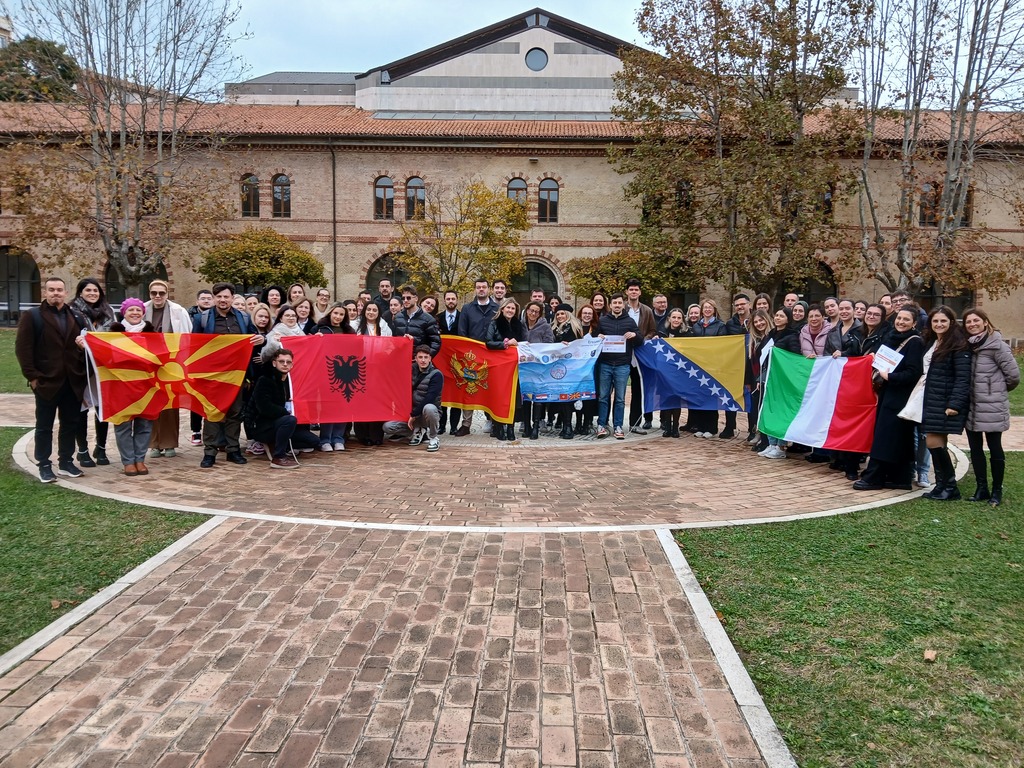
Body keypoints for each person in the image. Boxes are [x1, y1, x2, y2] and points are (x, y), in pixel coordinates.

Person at [16, 277, 89, 483]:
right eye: (51, 290)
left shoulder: (76, 316)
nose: (55, 293)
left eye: (59, 290)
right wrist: (33, 377)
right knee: (44, 426)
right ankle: (44, 465)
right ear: (45, 292)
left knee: (70, 424)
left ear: (66, 293)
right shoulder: (33, 316)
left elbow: (83, 348)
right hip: (46, 381)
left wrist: (81, 354)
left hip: (72, 381)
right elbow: (23, 349)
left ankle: (66, 461)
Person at [192, 282, 264, 468]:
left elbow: (254, 339)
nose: (222, 300)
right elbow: (194, 346)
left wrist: (261, 339)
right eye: (219, 297)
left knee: (235, 412)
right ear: (214, 298)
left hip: (236, 374)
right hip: (212, 375)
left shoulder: (244, 318)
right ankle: (210, 452)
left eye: (226, 296)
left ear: (232, 298)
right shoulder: (202, 319)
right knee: (212, 412)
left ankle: (233, 450)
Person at [853, 306, 925, 491]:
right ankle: (900, 478)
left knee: (885, 437)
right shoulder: (891, 337)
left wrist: (890, 377)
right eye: (899, 318)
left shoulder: (915, 342)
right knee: (897, 438)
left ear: (914, 323)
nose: (901, 322)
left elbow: (914, 372)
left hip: (900, 396)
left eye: (906, 319)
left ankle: (874, 477)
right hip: (887, 393)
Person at [962, 308, 1020, 506]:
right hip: (971, 406)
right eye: (968, 322)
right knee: (975, 448)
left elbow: (1013, 376)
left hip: (992, 406)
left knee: (995, 448)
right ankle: (981, 488)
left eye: (976, 320)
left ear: (985, 322)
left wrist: (995, 391)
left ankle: (997, 491)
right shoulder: (967, 346)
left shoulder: (997, 346)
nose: (972, 324)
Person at [920, 306, 972, 501]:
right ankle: (942, 486)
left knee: (934, 440)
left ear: (951, 322)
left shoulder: (958, 344)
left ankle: (950, 487)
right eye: (935, 321)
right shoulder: (932, 341)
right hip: (931, 399)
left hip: (945, 401)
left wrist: (955, 404)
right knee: (935, 441)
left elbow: (963, 378)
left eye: (943, 321)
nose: (939, 324)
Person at [107, 298, 157, 476]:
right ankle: (128, 461)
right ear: (124, 313)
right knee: (123, 425)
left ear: (143, 313)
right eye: (131, 310)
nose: (135, 313)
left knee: (145, 423)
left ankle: (140, 459)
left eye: (138, 310)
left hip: (146, 385)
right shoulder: (113, 334)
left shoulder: (152, 333)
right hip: (121, 386)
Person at [248, 347, 320, 469]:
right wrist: (285, 412)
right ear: (274, 363)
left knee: (314, 441)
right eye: (281, 361)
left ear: (292, 365)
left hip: (284, 424)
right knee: (289, 420)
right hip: (264, 426)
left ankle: (277, 444)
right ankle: (278, 457)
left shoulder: (291, 382)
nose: (285, 364)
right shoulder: (265, 380)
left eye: (288, 362)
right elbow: (264, 407)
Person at [71, 277, 116, 467]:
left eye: (95, 290)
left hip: (102, 367)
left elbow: (115, 337)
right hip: (80, 367)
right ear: (80, 293)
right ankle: (82, 450)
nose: (92, 293)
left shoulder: (108, 312)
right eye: (88, 290)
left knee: (102, 408)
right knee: (81, 409)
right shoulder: (72, 312)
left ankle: (101, 448)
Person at [144, 279, 192, 459]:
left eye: (161, 293)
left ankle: (169, 443)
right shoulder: (142, 309)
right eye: (154, 293)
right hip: (148, 363)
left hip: (171, 363)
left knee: (170, 403)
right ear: (149, 294)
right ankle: (154, 444)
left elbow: (186, 336)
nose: (157, 296)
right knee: (151, 403)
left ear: (167, 294)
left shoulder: (178, 311)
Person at [757, 307, 802, 459]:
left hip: (782, 378)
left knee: (780, 412)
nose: (777, 318)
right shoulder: (771, 334)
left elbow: (794, 357)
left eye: (781, 316)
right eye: (776, 315)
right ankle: (771, 443)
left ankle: (780, 446)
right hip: (769, 376)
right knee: (770, 410)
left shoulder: (792, 335)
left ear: (788, 319)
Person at [455, 279, 499, 436]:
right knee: (469, 389)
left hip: (492, 355)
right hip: (471, 356)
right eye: (478, 287)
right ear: (475, 290)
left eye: (484, 287)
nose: (481, 289)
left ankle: (494, 422)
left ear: (489, 289)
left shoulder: (497, 308)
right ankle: (466, 424)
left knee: (492, 389)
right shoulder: (467, 308)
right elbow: (462, 332)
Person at [595, 293, 640, 440]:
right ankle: (601, 425)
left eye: (619, 303)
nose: (617, 305)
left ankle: (618, 426)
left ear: (623, 304)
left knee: (620, 398)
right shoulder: (602, 320)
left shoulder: (630, 321)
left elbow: (640, 339)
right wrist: (597, 337)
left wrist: (634, 335)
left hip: (622, 365)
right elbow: (594, 338)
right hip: (605, 364)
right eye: (614, 303)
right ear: (610, 305)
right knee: (603, 397)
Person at [382, 345, 443, 452]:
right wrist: (403, 343)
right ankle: (416, 431)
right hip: (410, 413)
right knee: (388, 427)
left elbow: (430, 397)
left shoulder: (436, 375)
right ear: (415, 358)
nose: (423, 360)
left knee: (429, 408)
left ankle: (433, 438)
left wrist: (414, 415)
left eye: (425, 357)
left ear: (430, 358)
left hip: (425, 414)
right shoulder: (409, 370)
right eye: (420, 357)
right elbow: (393, 363)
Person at [485, 298, 525, 441]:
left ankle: (510, 427)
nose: (510, 310)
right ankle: (499, 426)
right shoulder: (494, 323)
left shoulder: (519, 325)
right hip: (499, 366)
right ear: (502, 309)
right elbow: (488, 342)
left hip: (514, 367)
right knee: (499, 396)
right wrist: (505, 344)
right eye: (508, 308)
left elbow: (523, 343)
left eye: (513, 308)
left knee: (513, 397)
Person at [624, 279, 658, 434]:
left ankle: (635, 423)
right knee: (617, 391)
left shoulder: (647, 311)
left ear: (640, 292)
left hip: (640, 355)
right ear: (627, 292)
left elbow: (652, 330)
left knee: (638, 390)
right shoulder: (620, 308)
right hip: (622, 355)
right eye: (631, 289)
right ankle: (613, 423)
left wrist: (642, 340)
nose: (633, 292)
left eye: (636, 290)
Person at [688, 298, 726, 438]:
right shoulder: (696, 326)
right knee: (699, 397)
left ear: (714, 310)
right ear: (702, 310)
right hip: (698, 366)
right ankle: (700, 426)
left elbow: (722, 345)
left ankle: (711, 428)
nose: (708, 310)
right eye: (705, 307)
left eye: (710, 307)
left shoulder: (720, 326)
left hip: (713, 366)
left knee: (711, 397)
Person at [720, 293, 752, 440]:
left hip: (751, 365)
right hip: (734, 365)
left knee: (750, 397)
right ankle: (729, 427)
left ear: (749, 304)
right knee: (730, 396)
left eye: (742, 304)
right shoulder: (730, 324)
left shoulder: (756, 321)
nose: (740, 307)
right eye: (737, 305)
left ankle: (752, 428)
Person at [521, 301, 555, 439]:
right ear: (527, 311)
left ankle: (536, 425)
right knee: (525, 396)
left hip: (539, 366)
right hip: (524, 366)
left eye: (536, 311)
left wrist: (536, 349)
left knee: (538, 396)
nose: (533, 313)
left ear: (540, 314)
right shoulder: (521, 325)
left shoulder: (545, 327)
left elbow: (549, 344)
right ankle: (526, 426)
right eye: (531, 310)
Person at [551, 303, 583, 440]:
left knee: (570, 397)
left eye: (562, 314)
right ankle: (564, 425)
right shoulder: (554, 330)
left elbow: (579, 346)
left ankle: (569, 426)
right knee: (561, 396)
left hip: (572, 367)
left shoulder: (575, 329)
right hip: (558, 367)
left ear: (568, 315)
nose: (560, 316)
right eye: (558, 314)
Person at [658, 308, 687, 438]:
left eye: (679, 318)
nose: (676, 320)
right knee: (666, 398)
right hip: (664, 371)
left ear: (682, 320)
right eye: (674, 317)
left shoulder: (687, 334)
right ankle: (667, 426)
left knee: (676, 400)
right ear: (669, 319)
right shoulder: (661, 332)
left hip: (679, 371)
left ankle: (675, 427)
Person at [745, 309, 772, 449]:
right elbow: (749, 361)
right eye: (756, 322)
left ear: (767, 320)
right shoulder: (753, 340)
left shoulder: (771, 337)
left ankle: (766, 440)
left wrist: (762, 379)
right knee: (755, 409)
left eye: (761, 320)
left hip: (766, 379)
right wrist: (748, 381)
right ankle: (759, 434)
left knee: (764, 409)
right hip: (755, 379)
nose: (759, 323)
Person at [392, 284, 442, 357]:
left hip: (418, 360)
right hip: (401, 357)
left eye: (408, 298)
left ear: (416, 298)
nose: (405, 300)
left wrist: (425, 357)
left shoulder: (428, 319)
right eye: (403, 298)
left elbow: (436, 342)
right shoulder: (397, 317)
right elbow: (393, 339)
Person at [437, 290, 462, 434]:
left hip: (458, 361)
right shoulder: (438, 318)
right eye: (448, 299)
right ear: (444, 300)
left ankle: (453, 426)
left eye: (453, 298)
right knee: (443, 393)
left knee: (456, 393)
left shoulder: (462, 317)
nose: (451, 301)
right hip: (442, 361)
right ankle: (441, 425)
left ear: (457, 300)